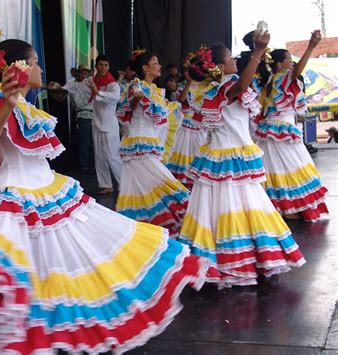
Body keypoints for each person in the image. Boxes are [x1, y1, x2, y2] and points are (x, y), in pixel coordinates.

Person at [0, 37, 208, 354]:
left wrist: (13, 101)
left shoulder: (20, 101)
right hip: (18, 194)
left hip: (43, 189)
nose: (41, 68)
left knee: (56, 263)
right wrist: (7, 102)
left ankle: (34, 329)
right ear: (22, 68)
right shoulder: (0, 97)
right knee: (14, 267)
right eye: (36, 61)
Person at [179, 31, 306, 287]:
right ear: (218, 66)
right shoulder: (224, 87)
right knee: (240, 208)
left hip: (225, 156)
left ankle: (236, 259)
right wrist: (258, 52)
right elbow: (242, 86)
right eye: (229, 57)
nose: (234, 60)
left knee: (226, 211)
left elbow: (242, 88)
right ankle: (240, 260)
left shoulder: (213, 89)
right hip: (229, 157)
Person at [255, 30, 328, 222]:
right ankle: (293, 209)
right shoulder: (281, 77)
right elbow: (297, 71)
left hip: (273, 132)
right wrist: (311, 47)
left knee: (279, 172)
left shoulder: (270, 82)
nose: (292, 63)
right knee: (294, 169)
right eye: (289, 60)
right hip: (282, 132)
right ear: (280, 64)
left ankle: (285, 209)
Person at [116, 51, 189, 238]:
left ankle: (145, 232)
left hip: (148, 147)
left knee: (147, 190)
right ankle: (142, 231)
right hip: (138, 146)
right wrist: (135, 99)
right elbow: (127, 110)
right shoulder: (137, 86)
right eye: (155, 63)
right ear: (145, 68)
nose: (159, 66)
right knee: (164, 186)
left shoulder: (155, 91)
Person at [165, 58, 208, 189]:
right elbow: (182, 98)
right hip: (187, 124)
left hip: (201, 124)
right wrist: (189, 83)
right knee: (185, 150)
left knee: (198, 150)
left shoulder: (208, 86)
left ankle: (198, 178)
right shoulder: (186, 86)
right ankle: (185, 180)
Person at [87, 54, 123, 194]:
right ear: (96, 66)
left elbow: (115, 98)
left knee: (113, 155)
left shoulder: (112, 84)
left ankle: (123, 184)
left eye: (106, 65)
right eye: (100, 65)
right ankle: (106, 185)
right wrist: (62, 87)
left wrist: (98, 92)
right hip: (96, 122)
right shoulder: (92, 80)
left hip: (109, 124)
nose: (103, 68)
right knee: (99, 155)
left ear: (109, 67)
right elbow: (78, 86)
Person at [51, 64, 94, 173]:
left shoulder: (90, 83)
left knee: (94, 142)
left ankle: (93, 165)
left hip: (95, 115)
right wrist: (54, 87)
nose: (84, 75)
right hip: (83, 114)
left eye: (86, 73)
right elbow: (60, 90)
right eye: (82, 73)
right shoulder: (72, 84)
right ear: (78, 74)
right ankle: (84, 166)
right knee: (85, 142)